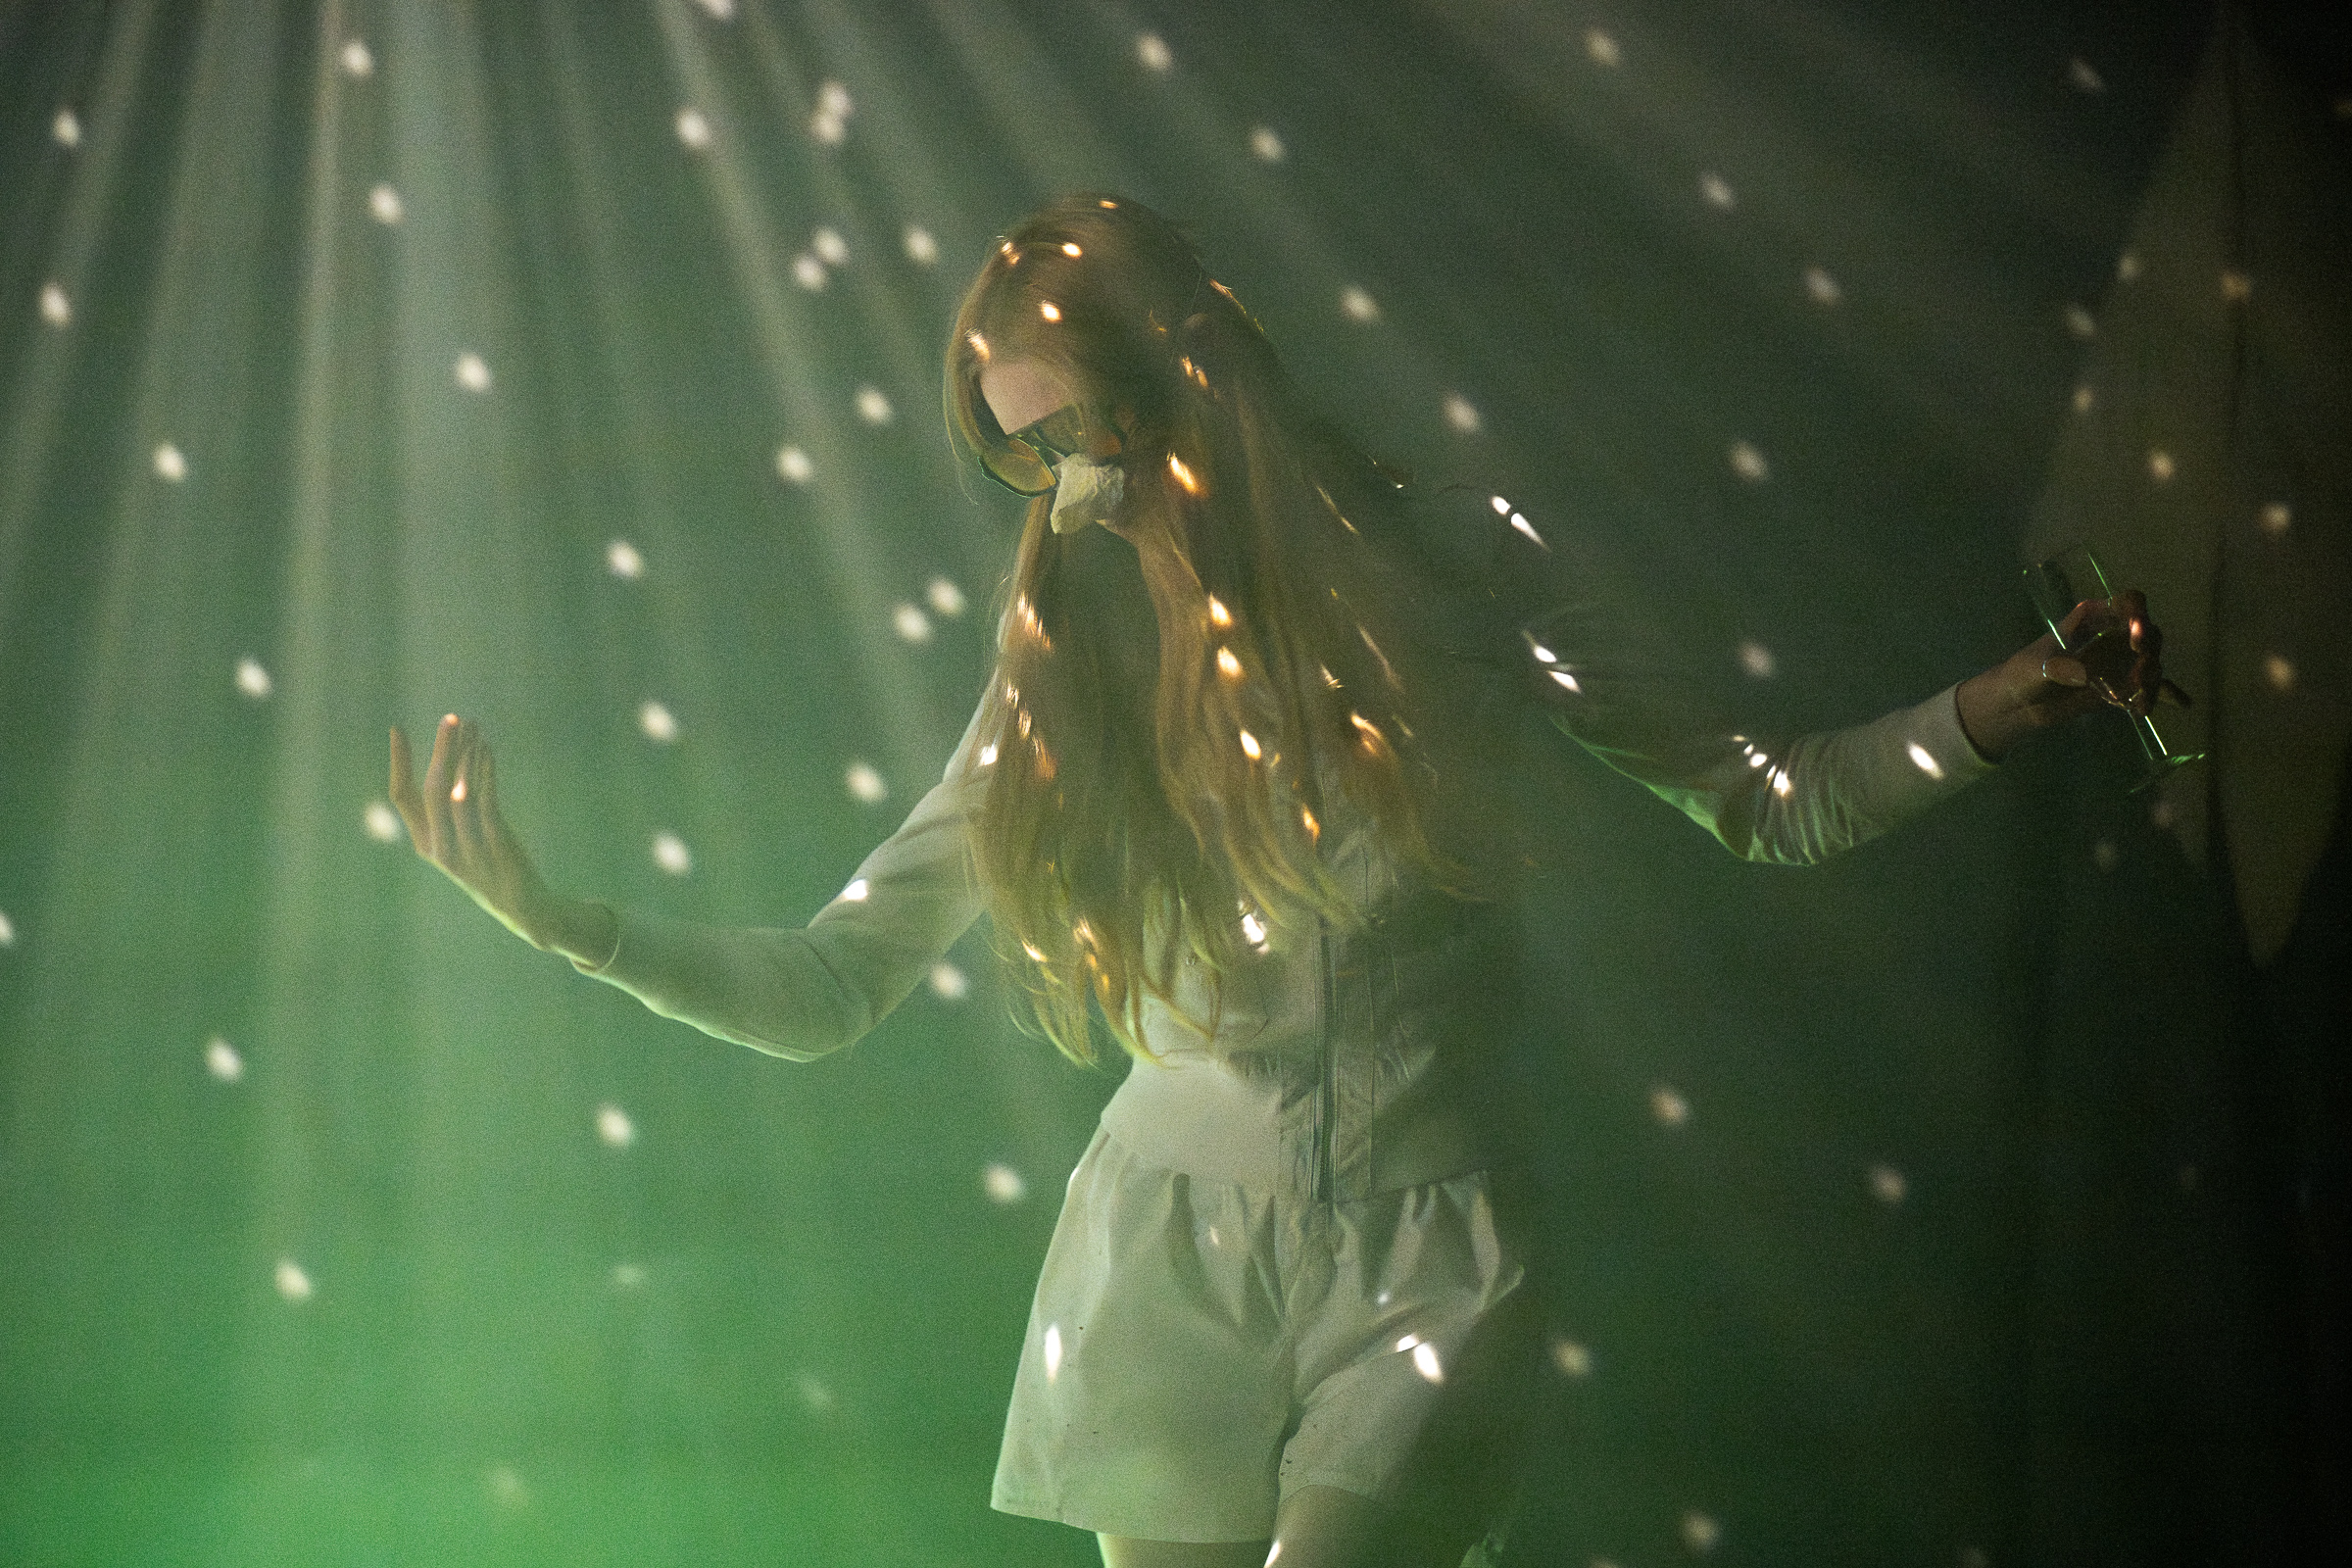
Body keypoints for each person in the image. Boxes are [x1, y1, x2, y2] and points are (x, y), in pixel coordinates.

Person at [389, 195, 2175, 1568]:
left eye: (1076, 431)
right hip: (1162, 1258)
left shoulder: (1460, 564)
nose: (1062, 488)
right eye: (1020, 453)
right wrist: (571, 927)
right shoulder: (1067, 659)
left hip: (1431, 1257)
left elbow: (1766, 801)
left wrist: (2002, 705)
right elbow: (836, 980)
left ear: (1191, 375)